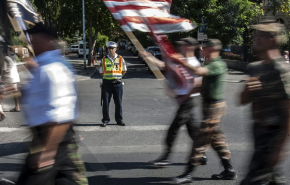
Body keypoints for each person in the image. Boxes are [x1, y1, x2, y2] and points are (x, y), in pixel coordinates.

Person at [16, 23, 88, 185]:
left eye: (36, 39)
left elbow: (63, 113)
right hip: (51, 138)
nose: (32, 42)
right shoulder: (43, 66)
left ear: (48, 41)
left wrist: (48, 150)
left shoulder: (53, 68)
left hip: (51, 138)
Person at [172, 39, 237, 184]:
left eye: (204, 47)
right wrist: (185, 96)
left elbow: (197, 71)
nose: (201, 49)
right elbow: (201, 86)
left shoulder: (218, 64)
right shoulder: (209, 63)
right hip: (209, 107)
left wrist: (181, 61)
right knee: (217, 140)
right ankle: (229, 170)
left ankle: (188, 173)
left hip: (215, 107)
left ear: (212, 49)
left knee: (200, 140)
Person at [240, 22, 290, 185]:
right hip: (258, 131)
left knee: (253, 180)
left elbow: (288, 112)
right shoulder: (253, 68)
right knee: (270, 179)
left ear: (272, 40)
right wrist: (247, 90)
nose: (256, 38)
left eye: (260, 35)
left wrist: (278, 149)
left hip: (272, 135)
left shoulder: (281, 70)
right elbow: (242, 101)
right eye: (256, 35)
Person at [149, 37, 207, 166]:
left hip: (189, 99)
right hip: (184, 99)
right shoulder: (182, 59)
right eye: (180, 45)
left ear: (190, 47)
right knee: (193, 129)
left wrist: (183, 97)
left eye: (183, 45)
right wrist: (150, 58)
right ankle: (201, 154)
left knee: (174, 128)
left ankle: (166, 157)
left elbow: (198, 84)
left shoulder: (193, 63)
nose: (180, 47)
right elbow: (165, 66)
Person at [99, 41, 127, 127]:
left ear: (115, 49)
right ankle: (105, 120)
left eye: (112, 48)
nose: (110, 50)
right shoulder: (103, 59)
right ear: (107, 49)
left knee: (118, 102)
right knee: (106, 103)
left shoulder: (121, 59)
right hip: (107, 84)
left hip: (117, 84)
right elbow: (101, 72)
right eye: (109, 48)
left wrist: (117, 77)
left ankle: (119, 120)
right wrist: (108, 78)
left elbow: (124, 70)